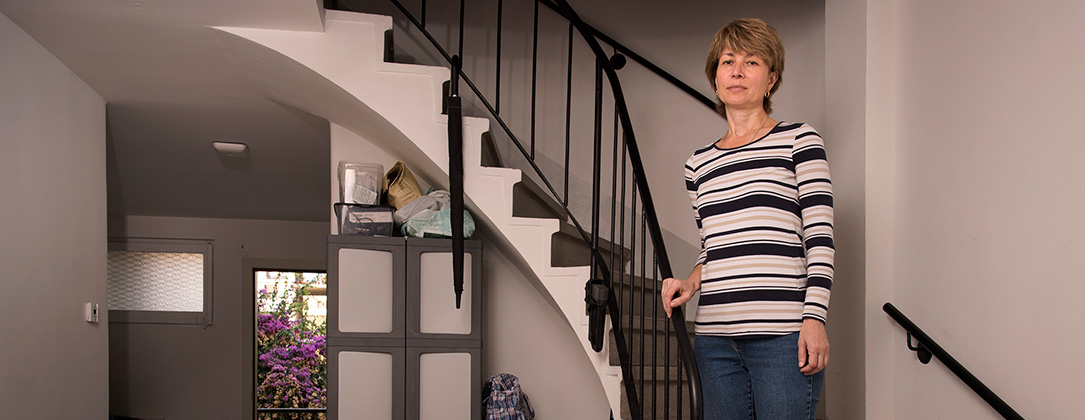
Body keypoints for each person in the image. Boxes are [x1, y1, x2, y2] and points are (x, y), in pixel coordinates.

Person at [660, 18, 834, 420]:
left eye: (751, 62)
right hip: (714, 341)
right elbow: (713, 248)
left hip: (783, 337)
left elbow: (820, 239)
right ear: (715, 78)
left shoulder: (799, 140)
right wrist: (690, 282)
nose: (737, 71)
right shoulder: (697, 164)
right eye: (728, 61)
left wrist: (814, 318)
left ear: (771, 79)